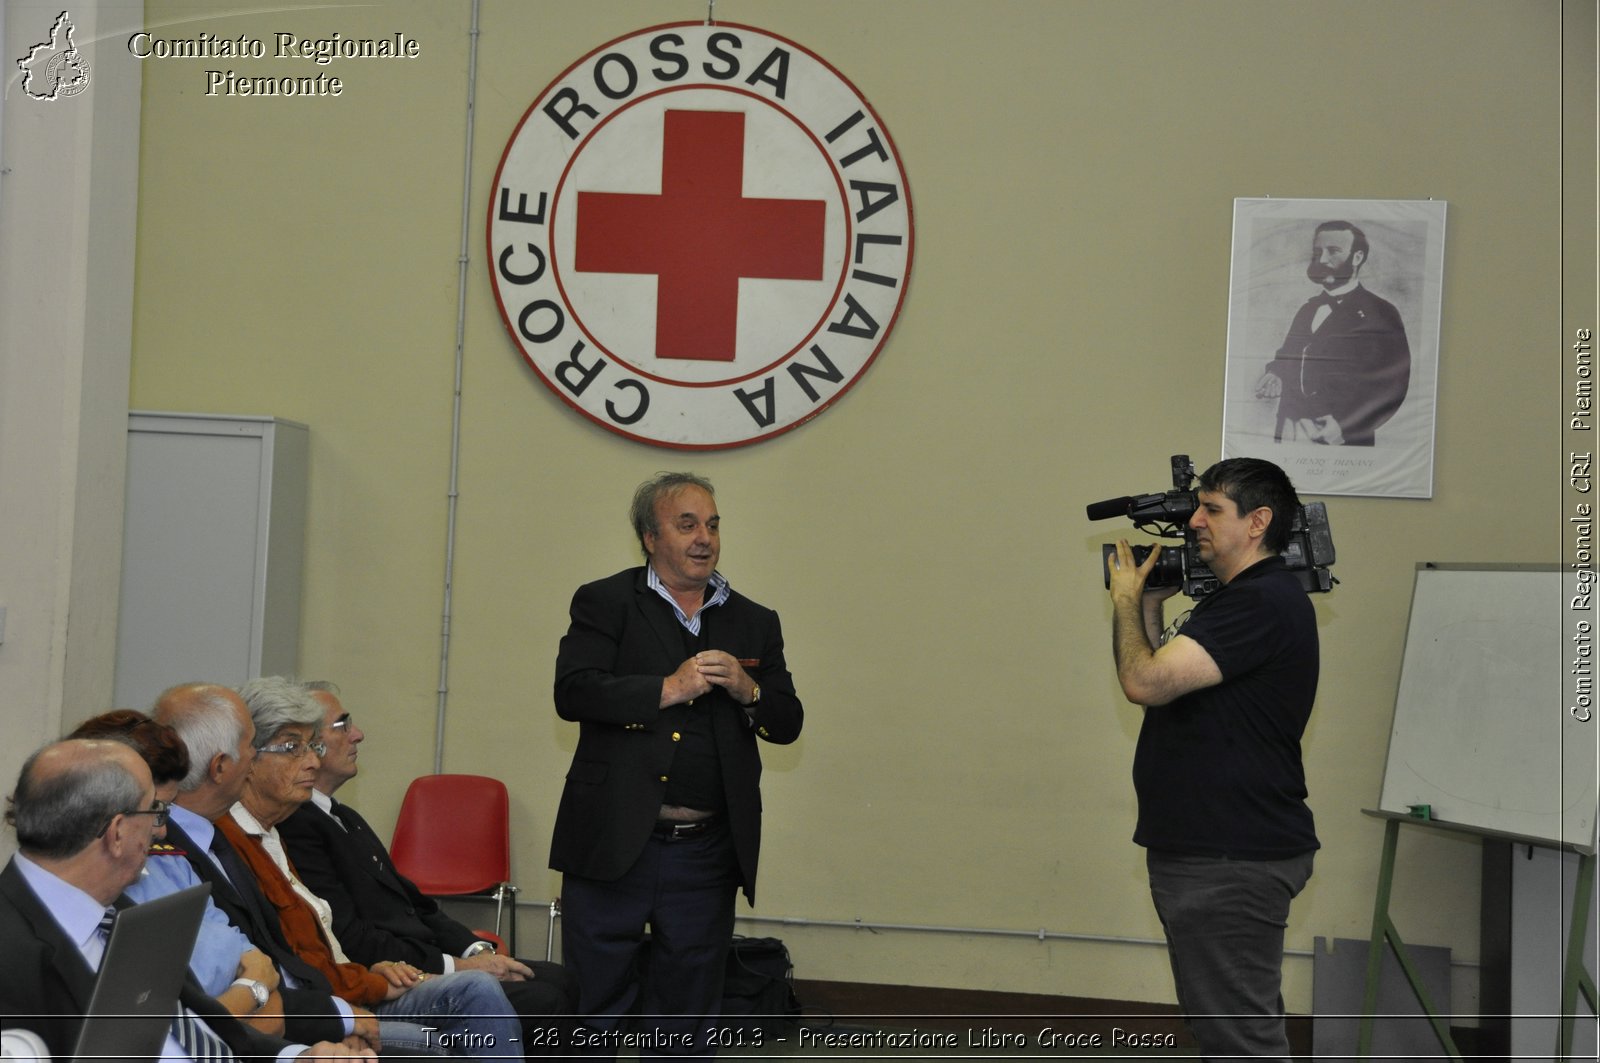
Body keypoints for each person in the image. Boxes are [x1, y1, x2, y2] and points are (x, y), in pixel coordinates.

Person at [551, 472, 803, 1055]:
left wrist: (749, 689)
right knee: (594, 1005)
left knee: (687, 1014)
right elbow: (574, 693)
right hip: (613, 839)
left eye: (712, 524)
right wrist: (665, 688)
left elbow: (787, 724)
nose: (704, 538)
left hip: (705, 851)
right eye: (686, 524)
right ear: (648, 536)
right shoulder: (606, 601)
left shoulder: (754, 620)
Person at [1105, 457, 1320, 1063]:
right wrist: (1148, 602)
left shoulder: (1260, 602)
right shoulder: (1240, 600)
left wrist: (1122, 600)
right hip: (1214, 853)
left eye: (1212, 510)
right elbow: (1166, 682)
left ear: (1258, 522)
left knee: (1240, 1042)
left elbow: (1144, 682)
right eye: (1197, 506)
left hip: (1230, 860)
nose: (1194, 521)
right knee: (1228, 1029)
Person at [0, 737, 373, 1060]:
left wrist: (298, 1058)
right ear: (117, 834)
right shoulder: (13, 952)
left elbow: (206, 1032)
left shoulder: (121, 916)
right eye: (155, 811)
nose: (161, 828)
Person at [228, 677, 524, 1059]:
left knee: (533, 987)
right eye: (293, 748)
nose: (312, 761)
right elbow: (293, 966)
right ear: (246, 759)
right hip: (330, 1005)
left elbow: (340, 936)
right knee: (475, 999)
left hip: (355, 984)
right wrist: (347, 1012)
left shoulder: (278, 831)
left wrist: (374, 974)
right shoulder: (241, 840)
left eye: (312, 746)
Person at [277, 680, 579, 1044]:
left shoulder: (344, 816)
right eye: (342, 724)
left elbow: (415, 904)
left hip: (424, 958)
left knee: (561, 979)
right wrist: (460, 967)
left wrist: (476, 950)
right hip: (393, 974)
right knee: (544, 999)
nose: (358, 734)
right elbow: (351, 936)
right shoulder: (298, 827)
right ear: (309, 745)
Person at [71, 709, 288, 1035]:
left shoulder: (171, 865)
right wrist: (251, 992)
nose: (162, 829)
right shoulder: (86, 903)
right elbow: (164, 1036)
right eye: (156, 810)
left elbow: (266, 976)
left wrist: (249, 992)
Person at [1255, 220, 1411, 446]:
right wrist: (1276, 373)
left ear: (1357, 258)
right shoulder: (1308, 309)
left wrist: (1345, 424)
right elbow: (1289, 353)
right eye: (1317, 252)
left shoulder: (1380, 313)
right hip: (1290, 432)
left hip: (1343, 438)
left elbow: (1393, 384)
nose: (1322, 259)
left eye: (1333, 251)